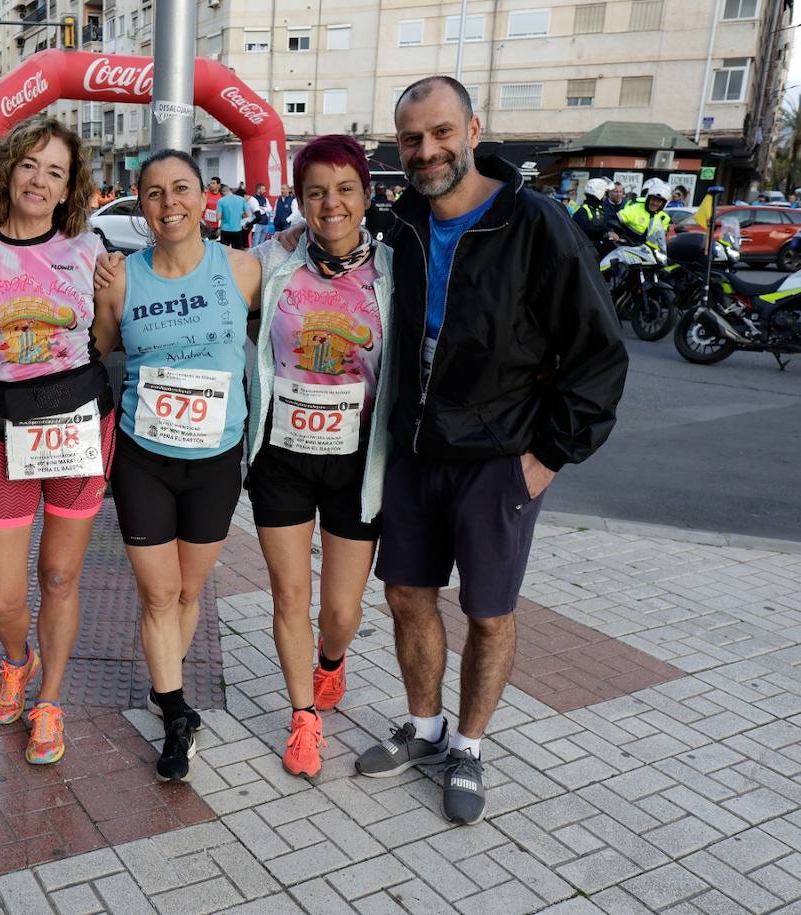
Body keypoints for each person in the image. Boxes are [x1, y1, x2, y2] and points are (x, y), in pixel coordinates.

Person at [360, 76, 626, 825]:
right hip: (415, 452)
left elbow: (599, 355)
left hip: (500, 459)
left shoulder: (534, 223)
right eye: (412, 139)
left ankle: (469, 746)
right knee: (407, 595)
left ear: (474, 129)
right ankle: (424, 728)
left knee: (488, 611)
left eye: (442, 132)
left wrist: (546, 458)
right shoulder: (401, 226)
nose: (428, 150)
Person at [0, 115, 108, 766]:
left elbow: (115, 339)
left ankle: (52, 698)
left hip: (80, 425)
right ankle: (18, 658)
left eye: (56, 171)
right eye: (30, 165)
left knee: (60, 574)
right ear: (8, 171)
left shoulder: (91, 252)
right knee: (3, 596)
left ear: (70, 189)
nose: (40, 180)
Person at [91, 149, 260, 782]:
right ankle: (174, 710)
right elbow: (96, 349)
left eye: (181, 188)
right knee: (159, 593)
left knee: (189, 590)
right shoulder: (123, 279)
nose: (170, 204)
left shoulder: (243, 270)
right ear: (141, 202)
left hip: (217, 458)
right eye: (155, 193)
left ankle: (171, 687)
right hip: (143, 457)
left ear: (202, 196)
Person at [230, 135, 396, 779]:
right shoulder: (271, 262)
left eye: (345, 189)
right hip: (283, 454)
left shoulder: (390, 269)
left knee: (341, 612)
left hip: (357, 459)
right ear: (299, 199)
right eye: (317, 191)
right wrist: (114, 272)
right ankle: (303, 718)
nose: (331, 204)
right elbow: (191, 271)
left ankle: (332, 660)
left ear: (366, 196)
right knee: (289, 594)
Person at [613, 178, 671, 248]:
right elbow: (616, 219)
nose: (655, 203)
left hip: (649, 252)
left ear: (663, 204)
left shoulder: (664, 218)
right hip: (629, 246)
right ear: (648, 199)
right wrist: (613, 230)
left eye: (659, 201)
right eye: (653, 199)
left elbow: (662, 239)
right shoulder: (636, 208)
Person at [572, 177, 616, 257]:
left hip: (599, 251)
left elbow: (605, 224)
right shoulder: (583, 210)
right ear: (598, 193)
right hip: (586, 252)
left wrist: (610, 231)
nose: (606, 196)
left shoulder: (600, 209)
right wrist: (605, 233)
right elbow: (586, 229)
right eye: (605, 193)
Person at [249, 182, 273, 246]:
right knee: (255, 242)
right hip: (257, 224)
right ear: (258, 190)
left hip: (265, 223)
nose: (265, 191)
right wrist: (264, 209)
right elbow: (257, 211)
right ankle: (252, 255)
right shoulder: (253, 199)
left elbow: (270, 209)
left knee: (262, 244)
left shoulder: (265, 199)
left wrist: (263, 208)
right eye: (263, 189)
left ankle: (259, 256)